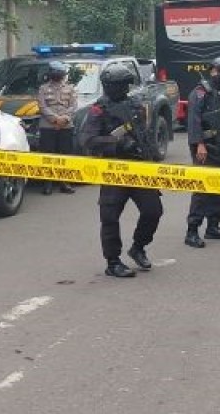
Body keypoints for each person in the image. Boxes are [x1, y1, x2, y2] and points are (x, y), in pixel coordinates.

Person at [79, 61, 162, 278]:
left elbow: (144, 135)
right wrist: (116, 144)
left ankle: (138, 247)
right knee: (110, 217)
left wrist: (153, 163)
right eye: (122, 85)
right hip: (114, 169)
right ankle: (113, 261)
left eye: (127, 84)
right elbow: (88, 139)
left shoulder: (135, 104)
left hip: (140, 167)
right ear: (111, 86)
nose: (126, 89)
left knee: (153, 211)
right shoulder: (99, 109)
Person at [185, 56, 220, 248]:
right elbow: (194, 120)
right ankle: (192, 231)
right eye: (217, 71)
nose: (218, 75)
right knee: (202, 188)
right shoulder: (200, 92)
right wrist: (199, 144)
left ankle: (213, 226)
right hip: (205, 146)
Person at [36, 60, 77, 195]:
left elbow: (73, 106)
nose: (58, 75)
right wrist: (55, 119)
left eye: (60, 73)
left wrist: (64, 119)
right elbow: (42, 107)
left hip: (66, 125)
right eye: (55, 73)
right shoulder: (43, 89)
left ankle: (65, 182)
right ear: (51, 74)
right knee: (48, 155)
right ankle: (48, 183)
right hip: (48, 125)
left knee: (65, 154)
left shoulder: (70, 88)